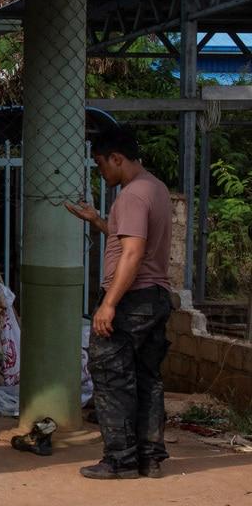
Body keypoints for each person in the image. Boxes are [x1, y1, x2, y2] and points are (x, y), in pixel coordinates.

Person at [65, 125, 173, 481]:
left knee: (111, 375)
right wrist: (97, 220)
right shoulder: (155, 188)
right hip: (155, 298)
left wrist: (109, 304)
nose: (100, 171)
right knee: (146, 376)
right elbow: (129, 238)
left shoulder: (132, 195)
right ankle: (150, 457)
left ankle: (120, 459)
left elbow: (133, 252)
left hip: (131, 299)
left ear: (117, 158)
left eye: (100, 164)